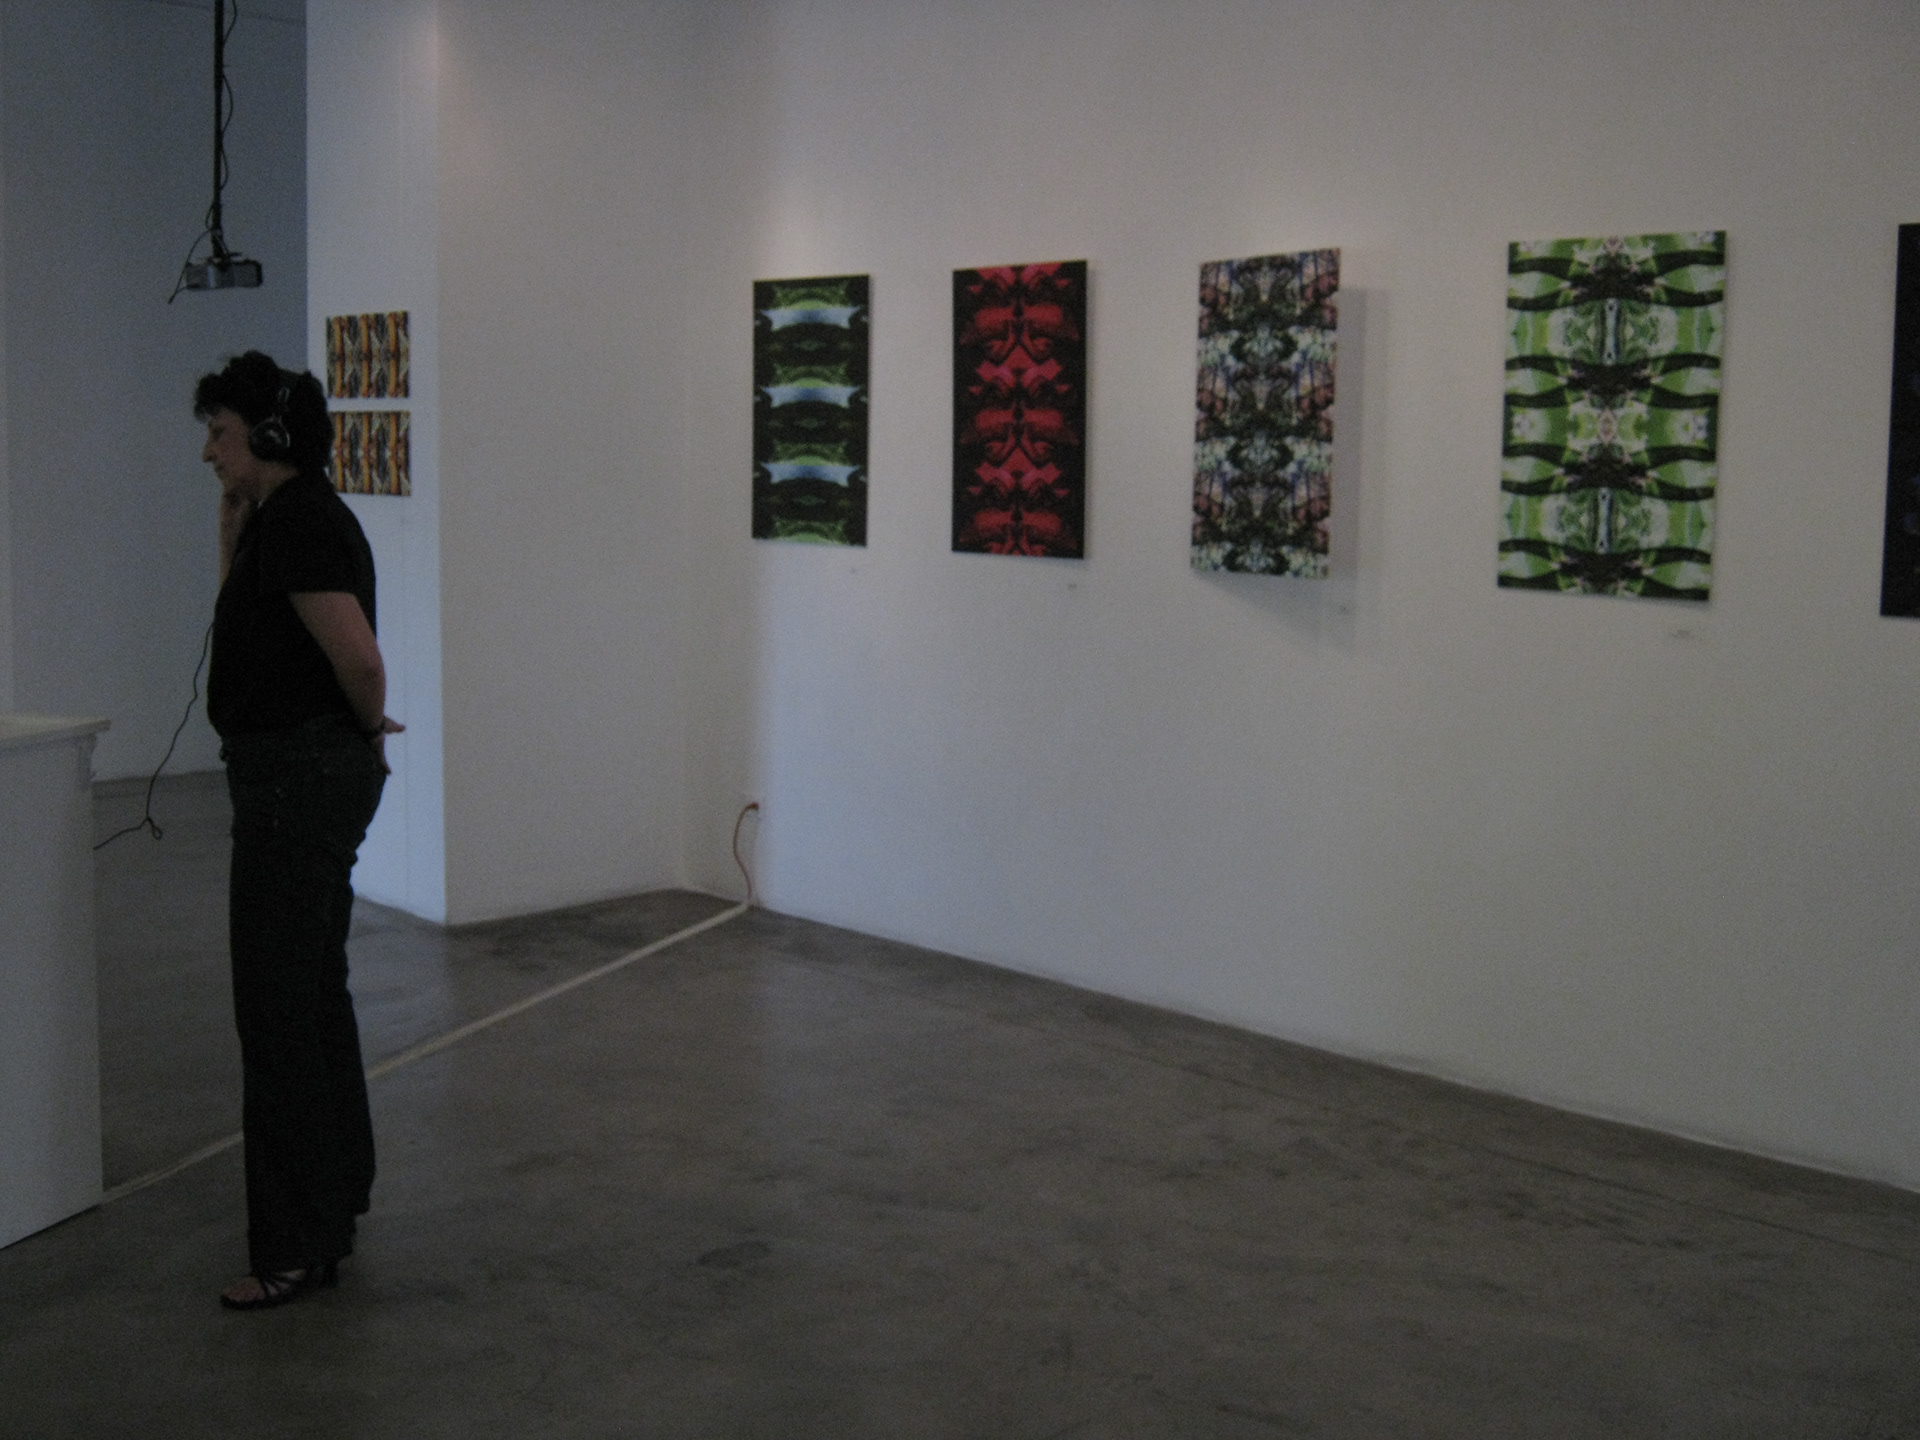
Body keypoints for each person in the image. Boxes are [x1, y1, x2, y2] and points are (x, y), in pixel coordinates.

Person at [195, 351, 403, 1310]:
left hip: (297, 784)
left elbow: (361, 662)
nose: (210, 452)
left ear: (270, 436)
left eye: (221, 434)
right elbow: (245, 631)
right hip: (295, 777)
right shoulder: (284, 519)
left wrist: (367, 730)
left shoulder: (304, 523)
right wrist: (229, 530)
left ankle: (292, 1245)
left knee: (278, 1012)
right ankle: (332, 1199)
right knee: (310, 994)